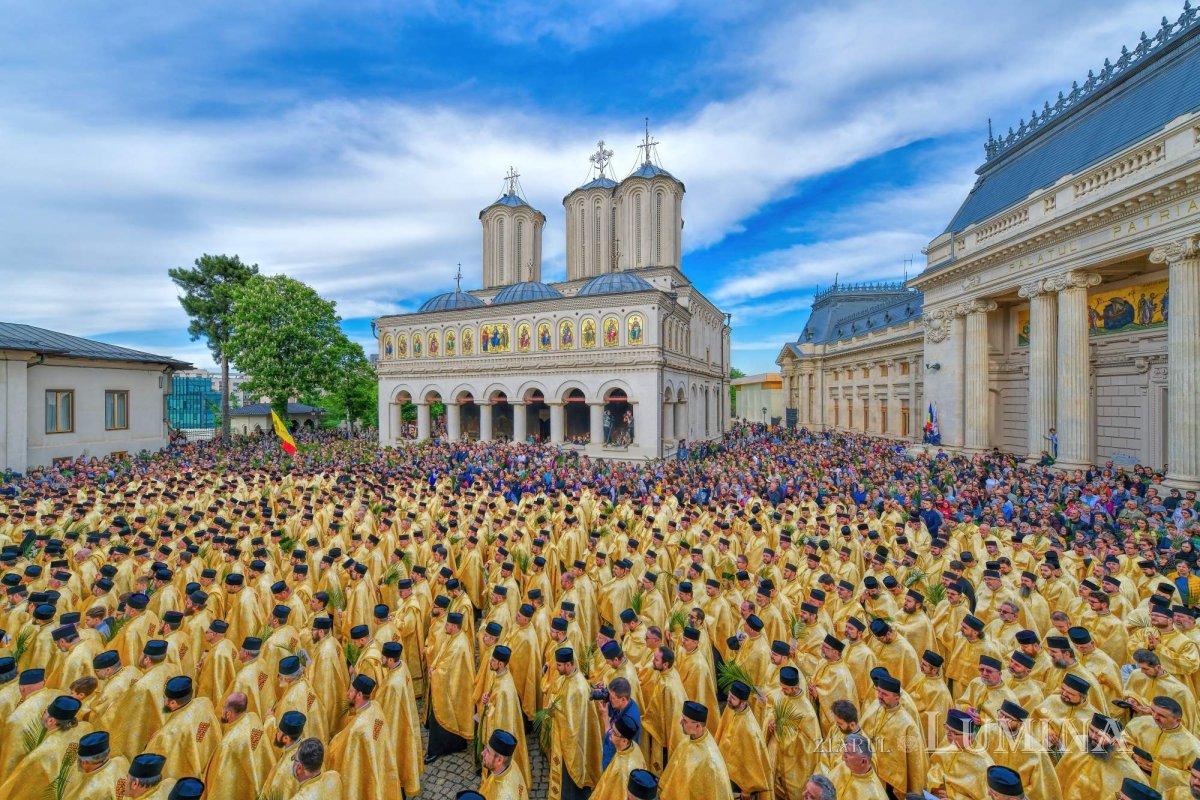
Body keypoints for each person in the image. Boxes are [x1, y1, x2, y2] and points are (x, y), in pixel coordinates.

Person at [326, 674, 401, 800]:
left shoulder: (358, 729)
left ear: (359, 695)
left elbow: (348, 761)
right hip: (380, 762)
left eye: (351, 691)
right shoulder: (375, 706)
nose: (347, 693)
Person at [546, 646, 603, 800]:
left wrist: (554, 709)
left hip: (573, 743)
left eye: (559, 665)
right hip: (569, 740)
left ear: (569, 665)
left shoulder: (577, 687)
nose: (556, 668)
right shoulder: (568, 679)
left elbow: (573, 725)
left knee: (571, 782)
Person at [145, 676, 223, 781]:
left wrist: (153, 742)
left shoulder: (166, 735)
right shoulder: (205, 703)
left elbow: (148, 767)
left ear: (172, 703)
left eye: (164, 698)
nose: (163, 700)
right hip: (210, 769)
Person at [425, 611, 475, 762]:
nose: (445, 626)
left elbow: (448, 669)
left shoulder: (459, 644)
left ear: (453, 626)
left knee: (440, 716)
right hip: (447, 685)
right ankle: (456, 743)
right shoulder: (454, 637)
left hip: (449, 687)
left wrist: (435, 673)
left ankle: (437, 748)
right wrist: (434, 667)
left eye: (447, 624)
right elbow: (441, 655)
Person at [658, 701, 734, 800]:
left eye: (685, 720)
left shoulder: (710, 760)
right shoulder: (689, 739)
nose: (680, 722)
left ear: (698, 726)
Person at [592, 715, 646, 800]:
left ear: (624, 740)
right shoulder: (634, 746)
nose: (610, 732)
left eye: (614, 732)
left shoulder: (620, 770)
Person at [479, 729, 527, 800]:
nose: (482, 753)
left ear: (499, 760)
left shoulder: (504, 797)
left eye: (488, 752)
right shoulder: (512, 763)